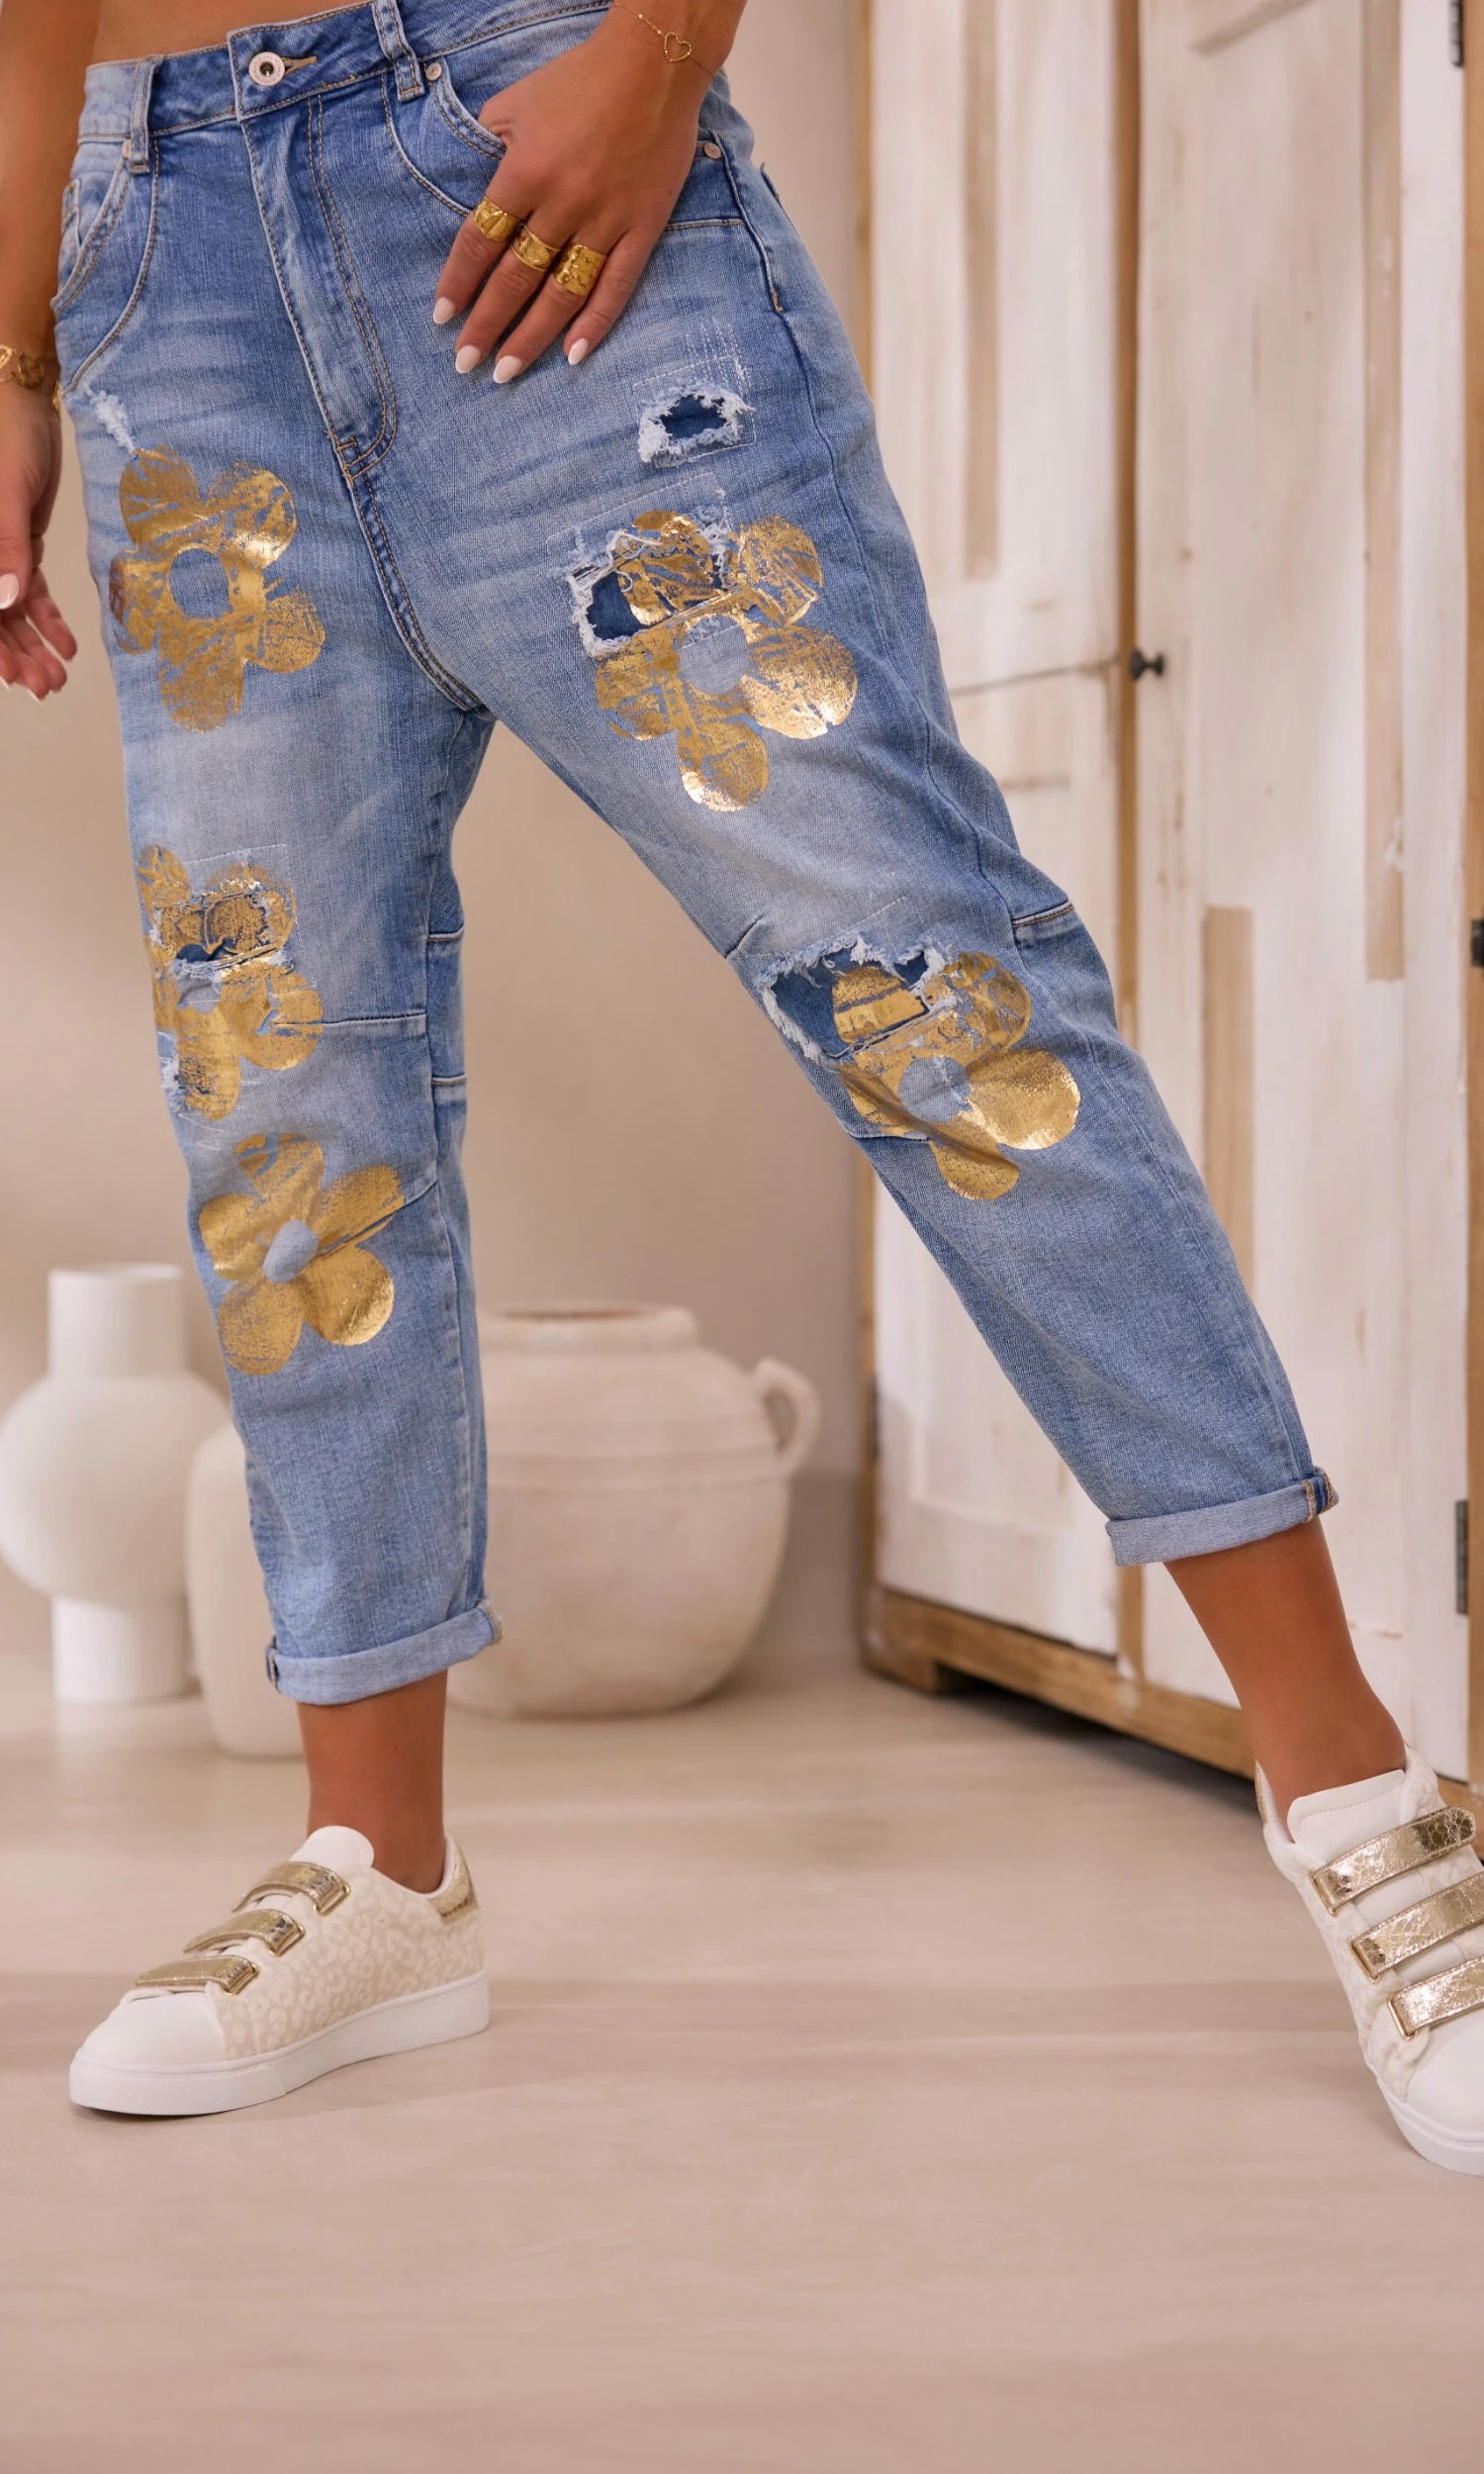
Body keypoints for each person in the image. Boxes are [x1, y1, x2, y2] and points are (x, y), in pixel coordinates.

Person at [1, 0, 1478, 2165]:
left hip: (511, 139)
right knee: (280, 1088)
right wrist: (17, 355)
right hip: (157, 266)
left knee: (929, 991)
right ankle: (380, 1875)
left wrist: (668, 42)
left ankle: (1360, 1790)